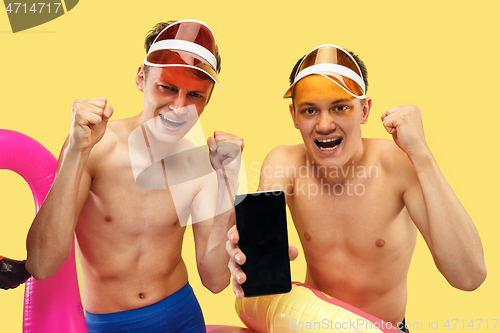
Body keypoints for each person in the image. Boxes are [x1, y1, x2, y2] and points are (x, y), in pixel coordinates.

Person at [226, 44, 486, 332]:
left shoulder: (397, 164)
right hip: (310, 327)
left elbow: (469, 277)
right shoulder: (284, 164)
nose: (324, 125)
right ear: (294, 116)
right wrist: (246, 257)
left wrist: (422, 156)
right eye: (310, 110)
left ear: (365, 110)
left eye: (340, 107)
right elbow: (258, 273)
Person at [25, 20, 243, 333]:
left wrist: (226, 185)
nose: (179, 106)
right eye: (167, 87)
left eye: (194, 94)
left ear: (206, 101)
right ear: (141, 78)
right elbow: (42, 264)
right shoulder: (96, 147)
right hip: (112, 324)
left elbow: (215, 280)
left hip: (183, 316)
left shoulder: (203, 164)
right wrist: (76, 150)